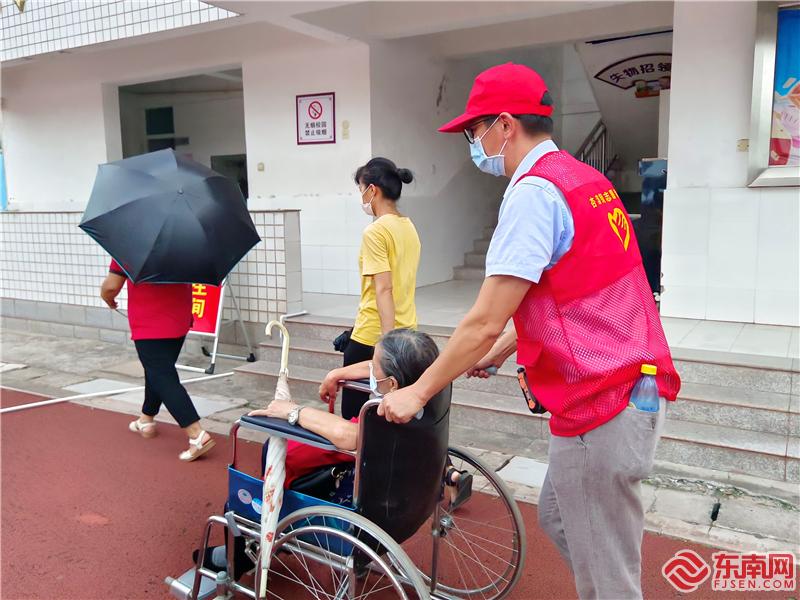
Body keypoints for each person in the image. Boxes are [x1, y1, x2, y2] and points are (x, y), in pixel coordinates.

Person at [377, 63, 681, 600]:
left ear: (505, 125)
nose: (474, 145)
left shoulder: (533, 194)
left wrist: (418, 393)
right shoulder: (585, 180)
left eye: (475, 131)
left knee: (606, 572)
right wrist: (501, 350)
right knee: (561, 519)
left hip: (600, 403)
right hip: (630, 386)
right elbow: (569, 289)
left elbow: (484, 318)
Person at [196, 328, 442, 576]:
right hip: (405, 503)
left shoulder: (377, 422)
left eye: (373, 369)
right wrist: (337, 374)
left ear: (391, 384)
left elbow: (348, 435)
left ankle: (242, 554)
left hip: (355, 504)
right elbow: (368, 391)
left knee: (264, 463)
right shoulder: (426, 400)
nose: (369, 371)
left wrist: (292, 411)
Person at [100, 260, 214, 461]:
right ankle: (147, 418)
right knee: (157, 371)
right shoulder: (182, 246)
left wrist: (107, 298)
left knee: (162, 377)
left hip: (149, 322)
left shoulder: (130, 248)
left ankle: (196, 434)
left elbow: (111, 286)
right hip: (179, 318)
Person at [340, 158, 421, 420]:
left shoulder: (375, 232)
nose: (361, 198)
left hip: (373, 338)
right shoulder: (408, 226)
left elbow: (383, 289)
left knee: (355, 419)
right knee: (392, 416)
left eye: (361, 190)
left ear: (372, 190)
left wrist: (386, 345)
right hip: (407, 333)